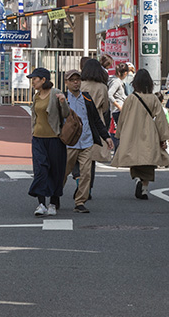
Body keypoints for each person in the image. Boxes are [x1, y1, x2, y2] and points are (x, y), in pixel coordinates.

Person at [112, 68, 169, 199]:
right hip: (149, 133)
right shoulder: (153, 99)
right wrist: (164, 138)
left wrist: (119, 134)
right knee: (149, 161)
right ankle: (144, 188)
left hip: (132, 132)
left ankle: (138, 179)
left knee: (135, 159)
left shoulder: (131, 98)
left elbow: (122, 118)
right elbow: (161, 120)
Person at [61, 70, 112, 213]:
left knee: (86, 173)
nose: (76, 82)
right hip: (69, 143)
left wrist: (106, 137)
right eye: (72, 80)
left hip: (86, 141)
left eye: (78, 79)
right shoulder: (63, 99)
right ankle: (55, 195)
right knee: (63, 172)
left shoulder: (87, 99)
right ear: (66, 83)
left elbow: (96, 119)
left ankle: (80, 202)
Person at [27, 67, 69, 216]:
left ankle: (53, 203)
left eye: (35, 79)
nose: (33, 82)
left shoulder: (56, 93)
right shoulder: (36, 96)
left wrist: (63, 102)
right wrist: (33, 131)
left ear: (43, 80)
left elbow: (66, 114)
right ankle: (40, 204)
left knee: (55, 171)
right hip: (38, 138)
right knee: (40, 170)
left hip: (54, 139)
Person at [107, 61, 131, 149]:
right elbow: (109, 94)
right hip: (118, 110)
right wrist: (119, 106)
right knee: (122, 134)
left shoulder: (114, 80)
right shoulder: (116, 82)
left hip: (118, 109)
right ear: (125, 73)